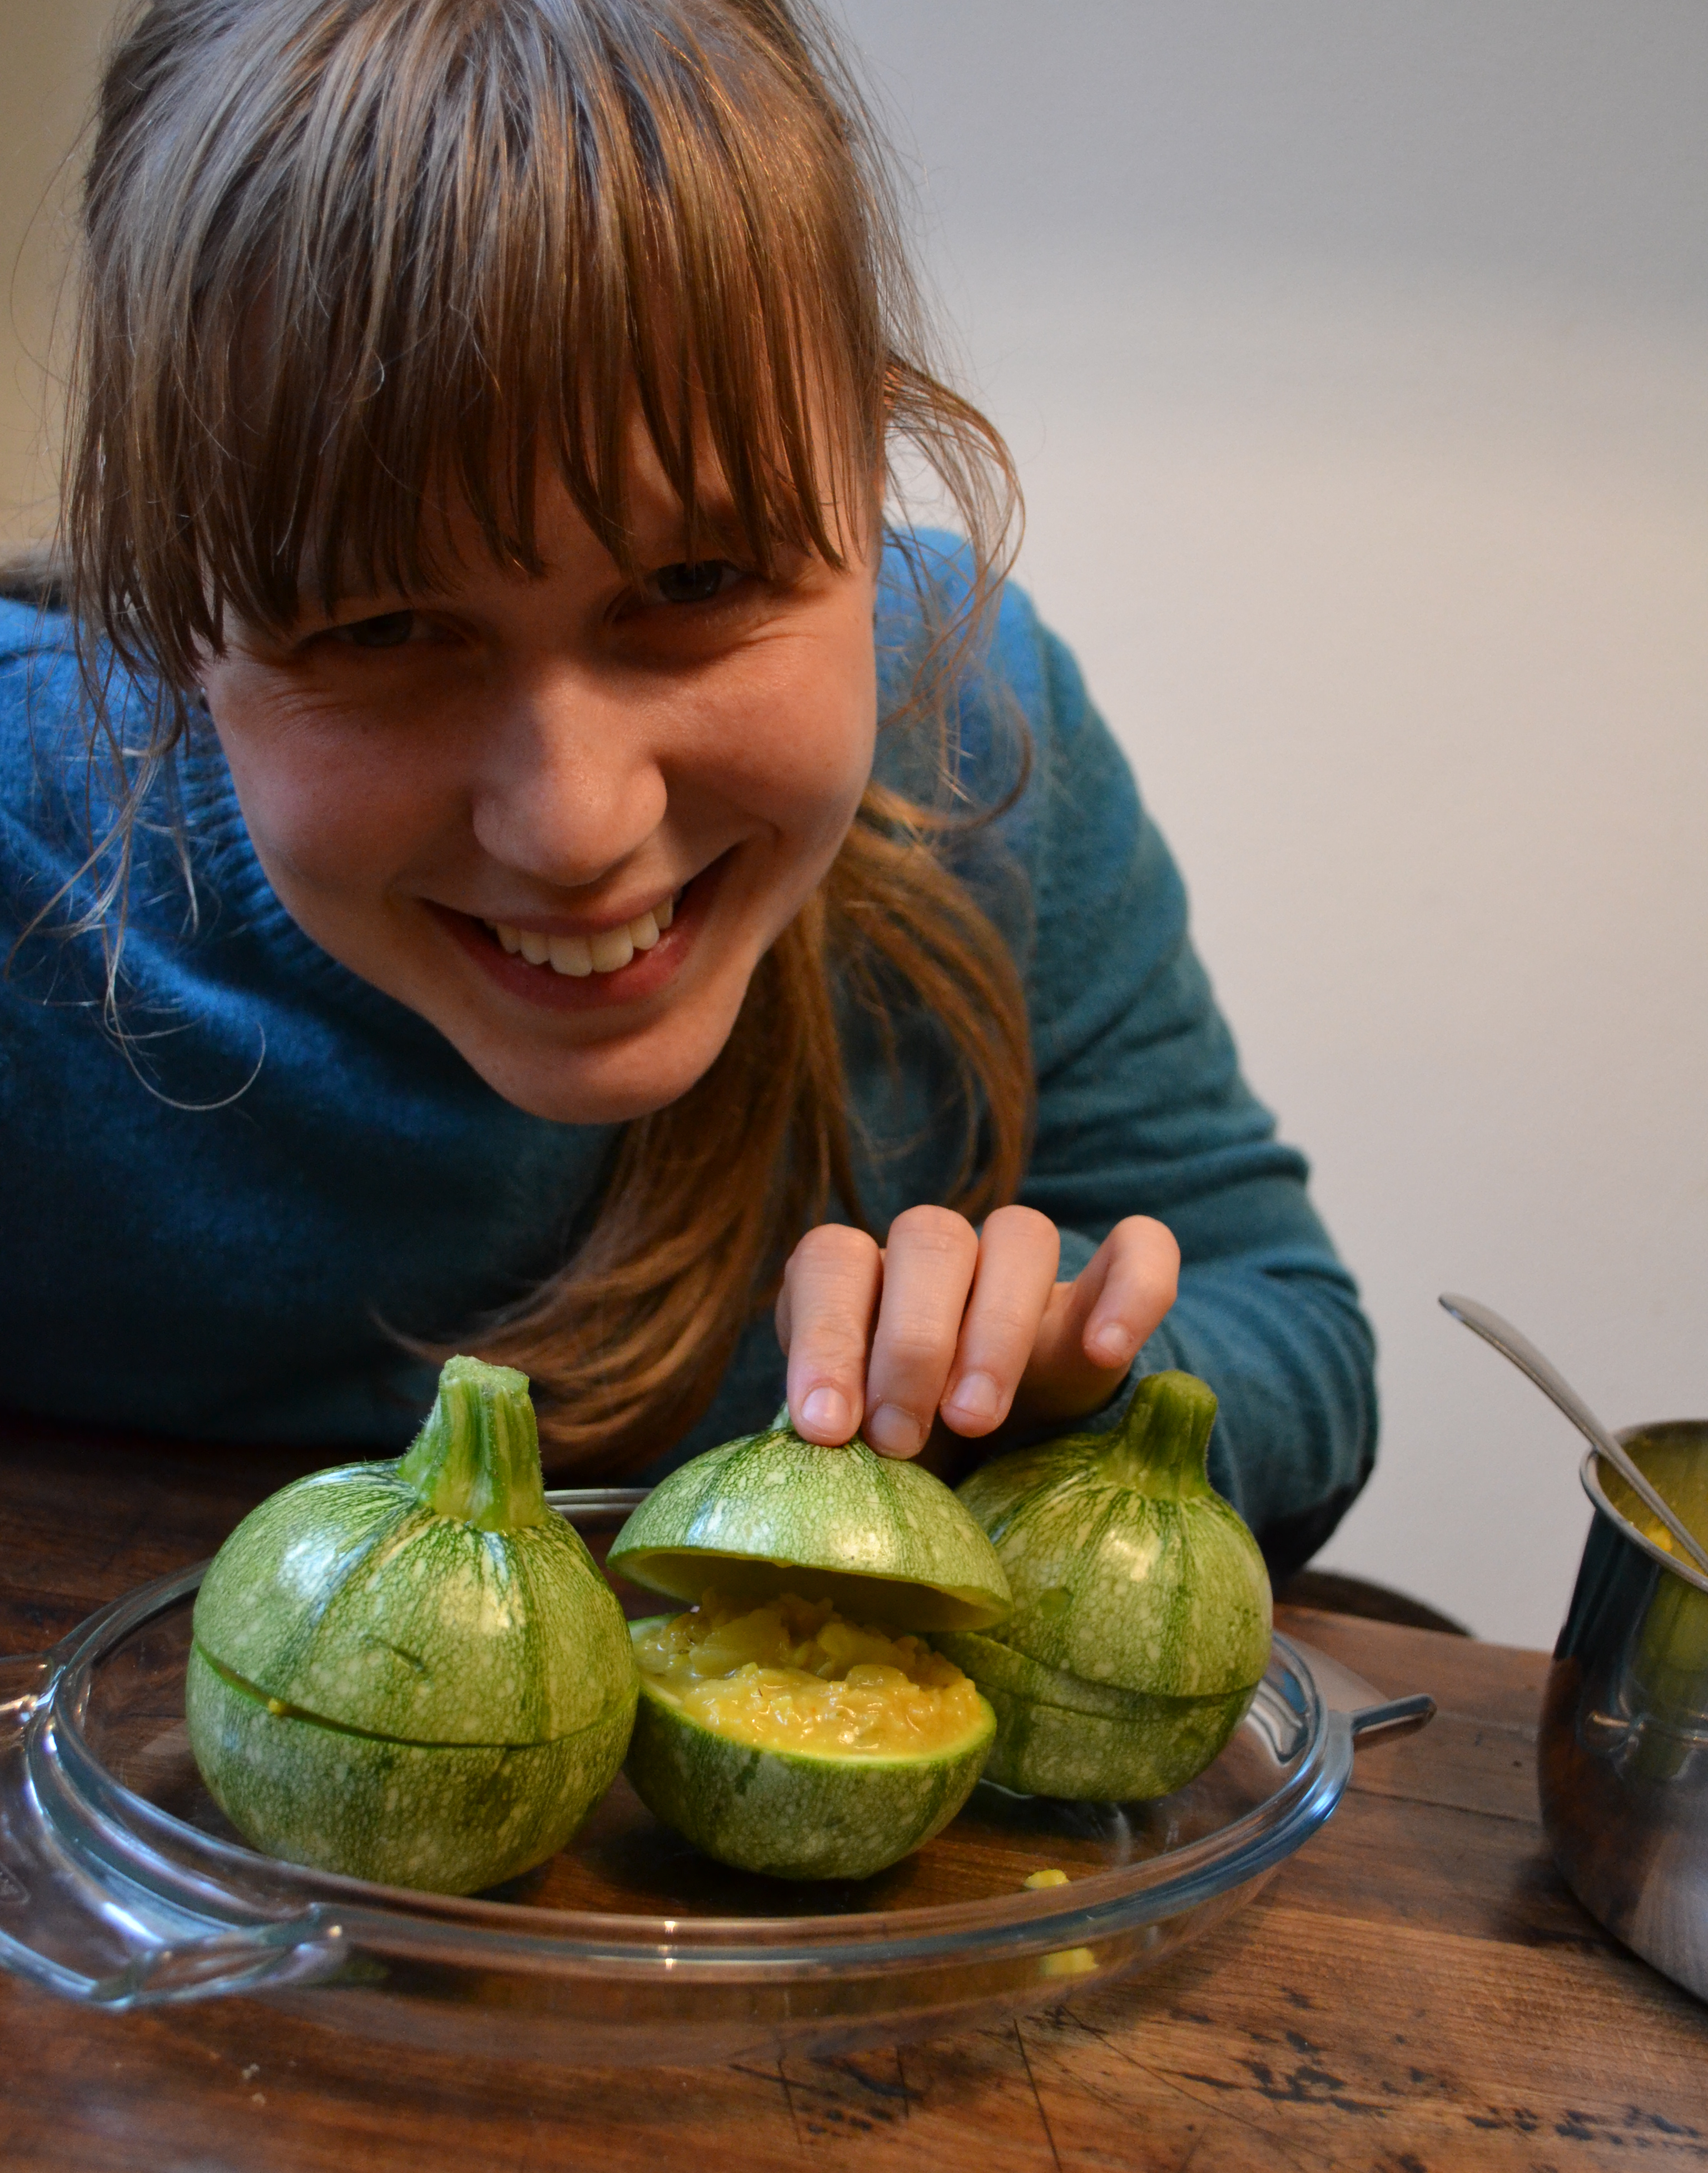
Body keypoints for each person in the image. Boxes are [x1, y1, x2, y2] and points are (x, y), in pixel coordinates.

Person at [0, 0, 1376, 1575]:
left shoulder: (982, 728)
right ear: (166, 615)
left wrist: (1078, 1379)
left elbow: (1295, 1329)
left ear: (870, 482)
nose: (577, 827)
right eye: (383, 630)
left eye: (697, 583)